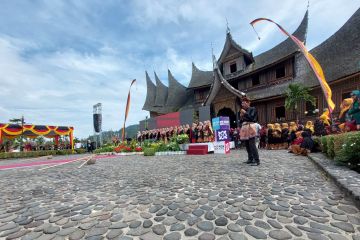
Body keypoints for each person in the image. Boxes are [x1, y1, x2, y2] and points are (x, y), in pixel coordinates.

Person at [239, 97, 260, 166]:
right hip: (245, 127)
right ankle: (250, 159)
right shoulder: (244, 110)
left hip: (251, 126)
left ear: (248, 103)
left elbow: (252, 118)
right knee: (247, 144)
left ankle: (256, 160)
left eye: (244, 103)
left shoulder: (252, 109)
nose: (243, 105)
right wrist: (241, 117)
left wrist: (245, 113)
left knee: (252, 144)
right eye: (242, 103)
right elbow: (242, 121)